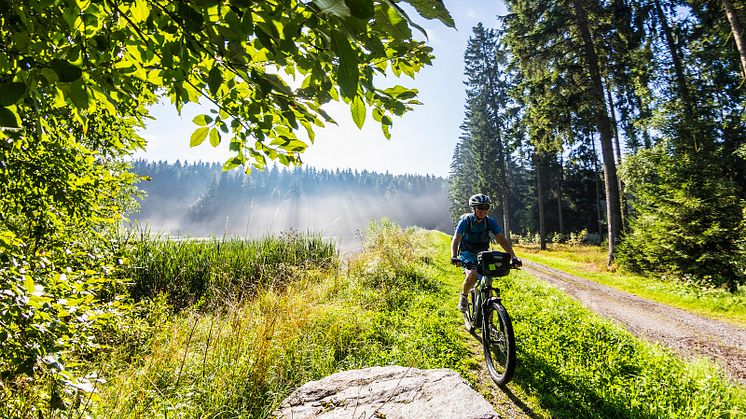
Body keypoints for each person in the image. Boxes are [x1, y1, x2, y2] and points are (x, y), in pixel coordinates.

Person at [450, 193, 521, 312]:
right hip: (467, 252)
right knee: (472, 275)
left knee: (488, 285)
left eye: (486, 208)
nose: (483, 211)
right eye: (480, 208)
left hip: (483, 253)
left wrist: (513, 257)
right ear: (473, 208)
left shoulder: (489, 222)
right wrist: (454, 256)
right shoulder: (466, 221)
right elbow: (456, 238)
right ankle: (464, 296)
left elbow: (501, 238)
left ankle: (489, 323)